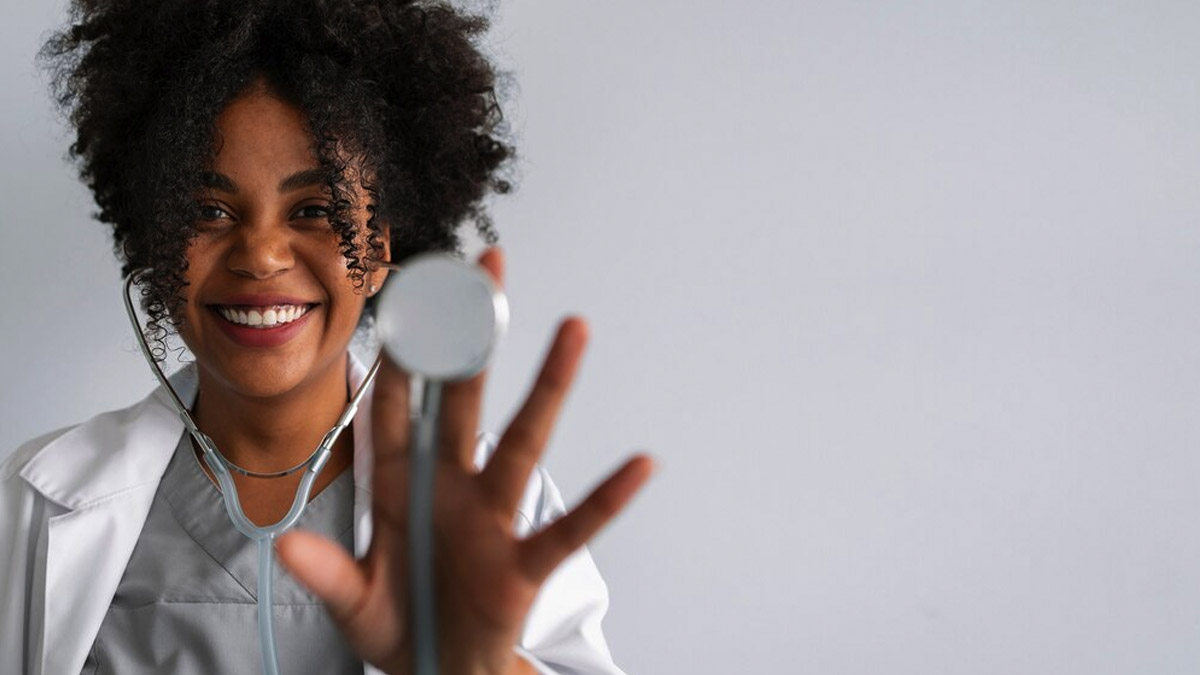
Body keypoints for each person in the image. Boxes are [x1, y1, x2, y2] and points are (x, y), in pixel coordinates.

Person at [0, 1, 652, 673]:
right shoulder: (31, 501)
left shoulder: (488, 508)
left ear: (378, 254)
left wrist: (477, 666)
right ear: (156, 244)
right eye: (209, 211)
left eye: (314, 209)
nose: (260, 255)